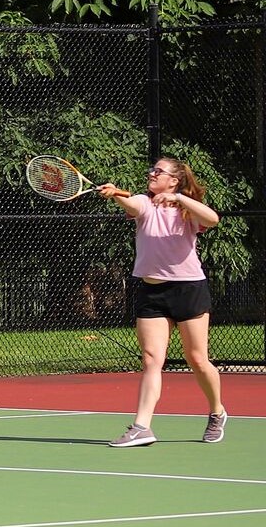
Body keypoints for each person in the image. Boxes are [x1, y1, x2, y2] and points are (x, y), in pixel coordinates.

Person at [96, 159, 228, 447]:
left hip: (189, 290)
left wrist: (179, 199)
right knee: (151, 360)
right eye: (152, 170)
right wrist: (116, 194)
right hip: (152, 292)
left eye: (159, 171)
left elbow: (213, 219)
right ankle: (142, 427)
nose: (152, 174)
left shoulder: (188, 209)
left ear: (174, 180)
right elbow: (133, 205)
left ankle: (217, 412)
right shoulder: (145, 202)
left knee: (197, 359)